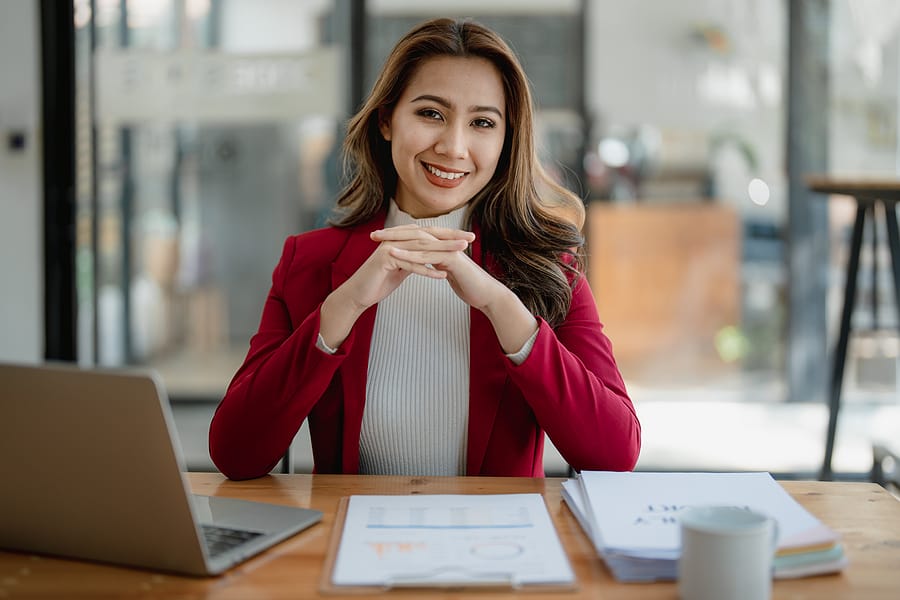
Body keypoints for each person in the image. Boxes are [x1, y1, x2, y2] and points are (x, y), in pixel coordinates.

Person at [209, 17, 640, 480]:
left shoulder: (550, 266)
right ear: (386, 119)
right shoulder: (309, 262)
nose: (454, 147)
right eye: (431, 114)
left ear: (505, 141)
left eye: (482, 123)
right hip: (351, 538)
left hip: (498, 543)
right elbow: (236, 451)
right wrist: (345, 305)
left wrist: (502, 308)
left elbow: (614, 454)